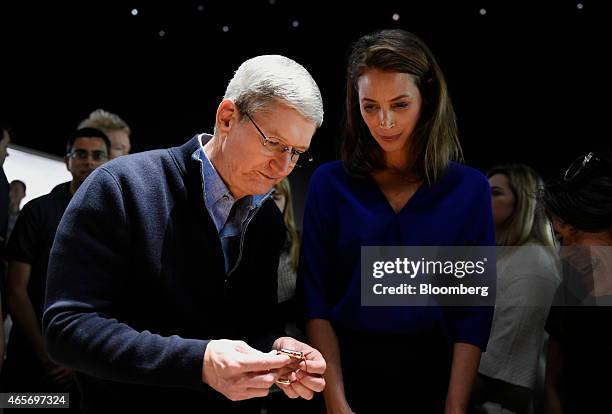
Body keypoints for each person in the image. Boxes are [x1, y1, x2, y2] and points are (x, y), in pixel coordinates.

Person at [43, 55, 326, 413]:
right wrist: (200, 362)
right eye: (273, 143)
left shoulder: (267, 220)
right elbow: (67, 328)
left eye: (296, 152)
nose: (283, 166)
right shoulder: (122, 187)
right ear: (227, 118)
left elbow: (250, 329)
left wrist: (280, 352)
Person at [300, 29, 495, 414]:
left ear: (428, 99)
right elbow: (314, 300)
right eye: (369, 106)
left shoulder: (469, 188)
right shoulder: (329, 183)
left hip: (436, 379)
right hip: (344, 375)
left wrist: (455, 406)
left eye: (400, 104)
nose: (384, 121)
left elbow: (472, 311)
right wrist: (336, 403)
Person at [1, 128, 110, 400]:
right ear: (68, 160)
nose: (89, 161)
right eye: (81, 154)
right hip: (30, 362)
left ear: (109, 161)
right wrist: (49, 354)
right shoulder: (38, 211)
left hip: (87, 370)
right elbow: (15, 291)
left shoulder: (119, 219)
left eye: (98, 155)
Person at [472, 164, 560, 414]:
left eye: (496, 192)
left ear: (521, 204)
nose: (483, 198)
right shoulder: (496, 257)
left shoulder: (532, 261)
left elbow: (503, 363)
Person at [542, 152, 612, 414]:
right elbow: (553, 384)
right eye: (560, 239)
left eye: (577, 235)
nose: (566, 252)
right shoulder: (571, 290)